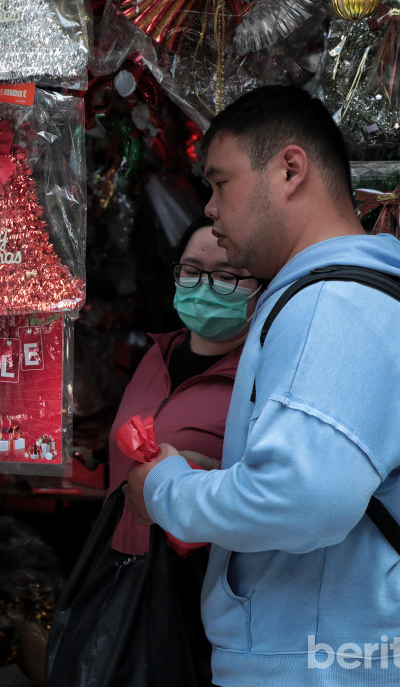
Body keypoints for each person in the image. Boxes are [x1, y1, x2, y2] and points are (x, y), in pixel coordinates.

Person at [127, 85, 400, 685]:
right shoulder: (335, 296)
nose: (209, 208)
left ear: (289, 170)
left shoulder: (334, 304)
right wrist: (224, 478)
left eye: (220, 183)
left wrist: (166, 490)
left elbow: (302, 500)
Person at [106, 215, 259, 555]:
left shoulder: (261, 377)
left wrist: (208, 471)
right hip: (119, 564)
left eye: (227, 277)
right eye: (191, 271)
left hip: (192, 573)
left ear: (261, 287)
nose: (204, 286)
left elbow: (273, 491)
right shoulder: (157, 354)